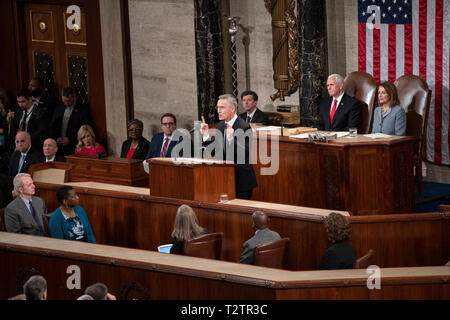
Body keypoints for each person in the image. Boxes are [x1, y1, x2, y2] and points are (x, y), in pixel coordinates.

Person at [201, 94, 257, 199]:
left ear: (232, 108)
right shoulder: (221, 126)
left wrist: (231, 140)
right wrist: (206, 136)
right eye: (218, 107)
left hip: (241, 181)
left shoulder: (244, 126)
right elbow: (215, 152)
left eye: (222, 107)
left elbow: (245, 153)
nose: (218, 110)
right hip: (226, 178)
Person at [50, 86, 93, 156]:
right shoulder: (58, 108)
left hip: (75, 146)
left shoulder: (83, 110)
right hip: (59, 148)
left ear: (74, 97)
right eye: (64, 100)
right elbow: (52, 126)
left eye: (68, 101)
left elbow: (85, 129)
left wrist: (70, 139)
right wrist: (56, 137)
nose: (66, 103)